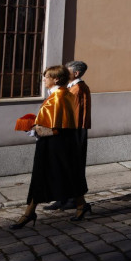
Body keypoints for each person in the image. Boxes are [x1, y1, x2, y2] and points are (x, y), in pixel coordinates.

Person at [11, 66, 90, 229]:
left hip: (54, 144)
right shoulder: (62, 94)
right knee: (66, 174)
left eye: (46, 76)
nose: (44, 79)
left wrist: (31, 128)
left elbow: (55, 128)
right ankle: (80, 206)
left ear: (56, 79)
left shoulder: (58, 97)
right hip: (60, 143)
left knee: (47, 175)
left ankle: (30, 212)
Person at [44, 61, 91, 211]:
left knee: (72, 165)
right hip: (71, 130)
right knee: (64, 165)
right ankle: (62, 198)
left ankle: (72, 199)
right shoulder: (71, 88)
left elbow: (71, 114)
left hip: (74, 131)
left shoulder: (77, 89)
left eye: (67, 71)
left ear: (76, 74)